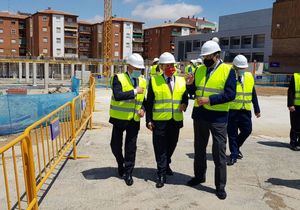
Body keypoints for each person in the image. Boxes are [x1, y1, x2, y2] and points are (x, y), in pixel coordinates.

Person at [186, 40, 236, 200]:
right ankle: (199, 176)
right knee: (199, 149)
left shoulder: (228, 71)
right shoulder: (200, 69)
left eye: (208, 56)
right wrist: (189, 85)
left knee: (219, 152)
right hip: (200, 115)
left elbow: (230, 95)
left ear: (217, 55)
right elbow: (194, 91)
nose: (206, 59)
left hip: (218, 118)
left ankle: (220, 186)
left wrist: (210, 100)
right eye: (204, 56)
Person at [146, 52, 188, 188]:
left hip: (175, 120)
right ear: (162, 67)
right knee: (160, 148)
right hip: (159, 121)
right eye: (168, 65)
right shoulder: (154, 81)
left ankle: (166, 164)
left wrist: (184, 104)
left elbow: (185, 97)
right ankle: (161, 174)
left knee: (172, 146)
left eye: (172, 65)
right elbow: (150, 102)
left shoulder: (181, 80)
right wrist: (149, 120)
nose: (171, 67)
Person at [109, 53, 147, 186]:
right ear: (129, 66)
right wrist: (135, 92)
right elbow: (118, 95)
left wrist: (143, 109)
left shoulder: (142, 81)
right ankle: (121, 163)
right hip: (119, 119)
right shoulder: (118, 78)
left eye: (140, 68)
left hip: (134, 120)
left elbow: (144, 100)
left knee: (131, 147)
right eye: (136, 68)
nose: (138, 70)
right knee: (115, 146)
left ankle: (129, 172)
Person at [227, 55, 261, 166]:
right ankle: (233, 155)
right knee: (232, 134)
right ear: (234, 67)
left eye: (243, 68)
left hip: (245, 110)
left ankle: (235, 147)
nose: (242, 70)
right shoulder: (229, 77)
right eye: (239, 68)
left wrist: (257, 109)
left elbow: (253, 94)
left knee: (247, 130)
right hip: (232, 110)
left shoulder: (249, 77)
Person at [288, 72, 300, 151]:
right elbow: (290, 91)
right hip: (296, 106)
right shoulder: (295, 77)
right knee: (295, 125)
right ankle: (293, 143)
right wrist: (290, 104)